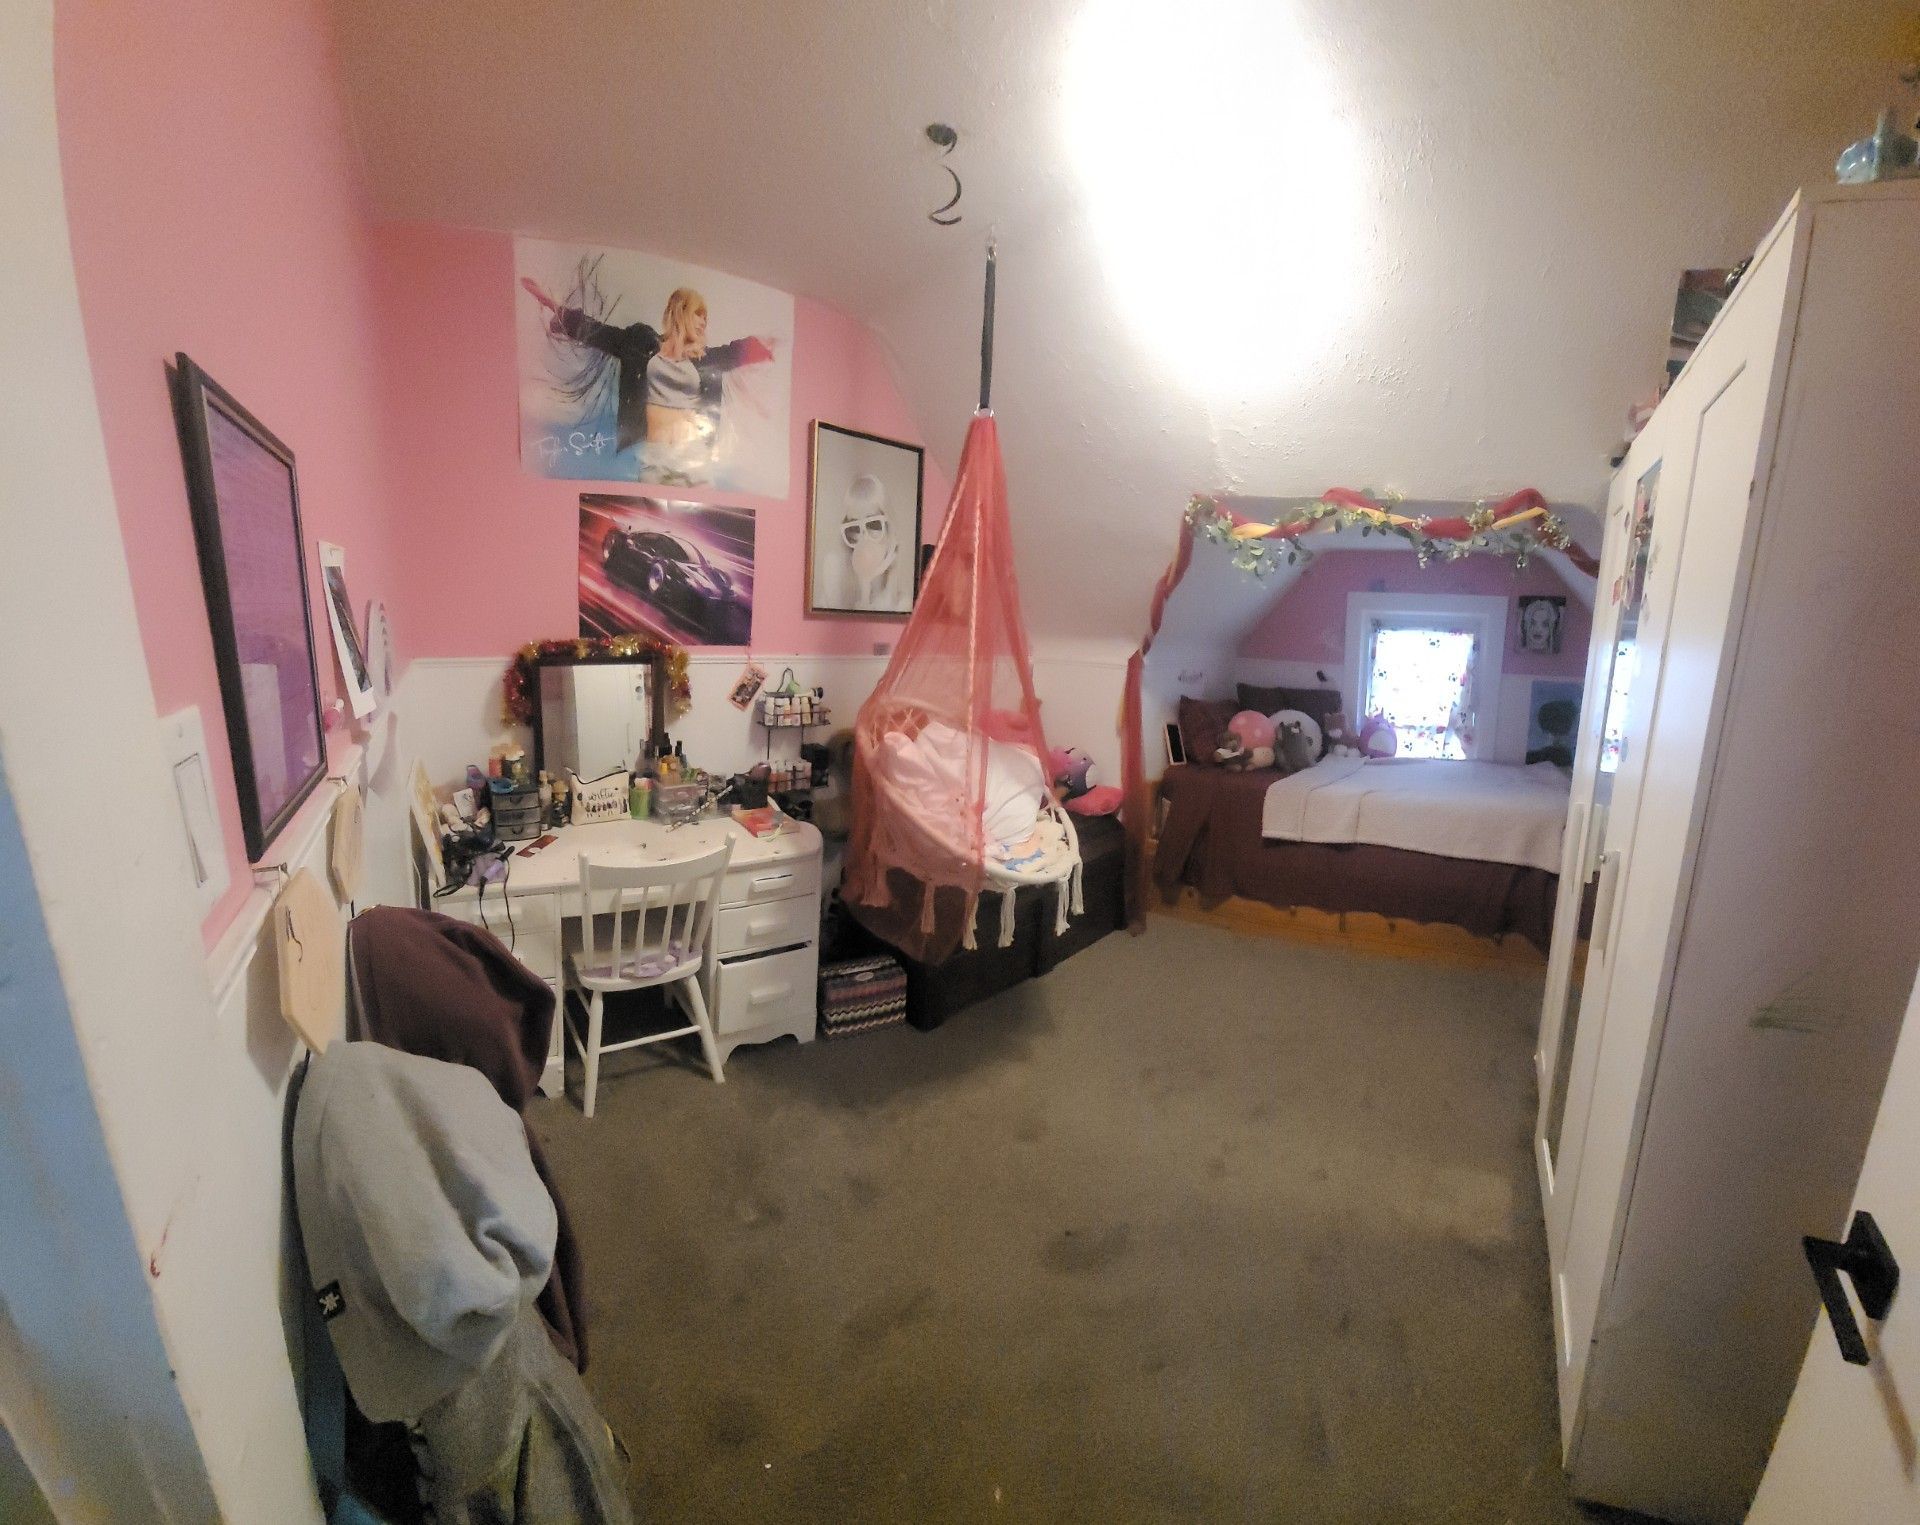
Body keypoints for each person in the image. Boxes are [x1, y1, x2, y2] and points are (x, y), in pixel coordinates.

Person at [521, 277, 775, 483]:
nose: (703, 322)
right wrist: (552, 304)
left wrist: (770, 343)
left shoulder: (705, 359)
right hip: (653, 457)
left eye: (705, 317)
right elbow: (598, 333)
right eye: (698, 314)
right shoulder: (639, 342)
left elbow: (738, 351)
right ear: (680, 312)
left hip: (694, 461)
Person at [834, 472, 906, 611]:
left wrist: (891, 577)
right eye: (854, 527)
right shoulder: (837, 588)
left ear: (890, 529)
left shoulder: (903, 604)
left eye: (873, 524)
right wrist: (865, 589)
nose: (863, 537)